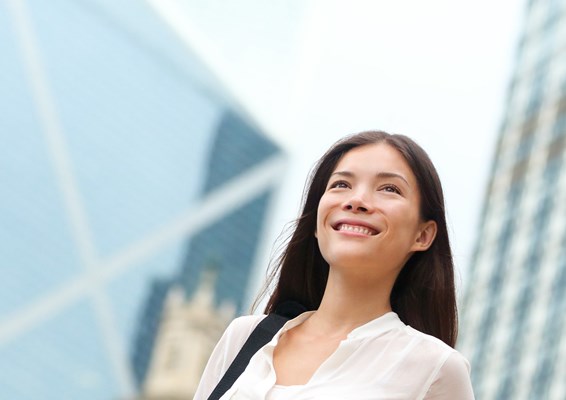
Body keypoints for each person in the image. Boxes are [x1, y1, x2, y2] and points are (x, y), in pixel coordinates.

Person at [194, 131, 475, 399]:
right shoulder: (244, 337)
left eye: (389, 188)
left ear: (422, 235)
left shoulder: (436, 368)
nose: (357, 201)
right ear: (318, 221)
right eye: (341, 184)